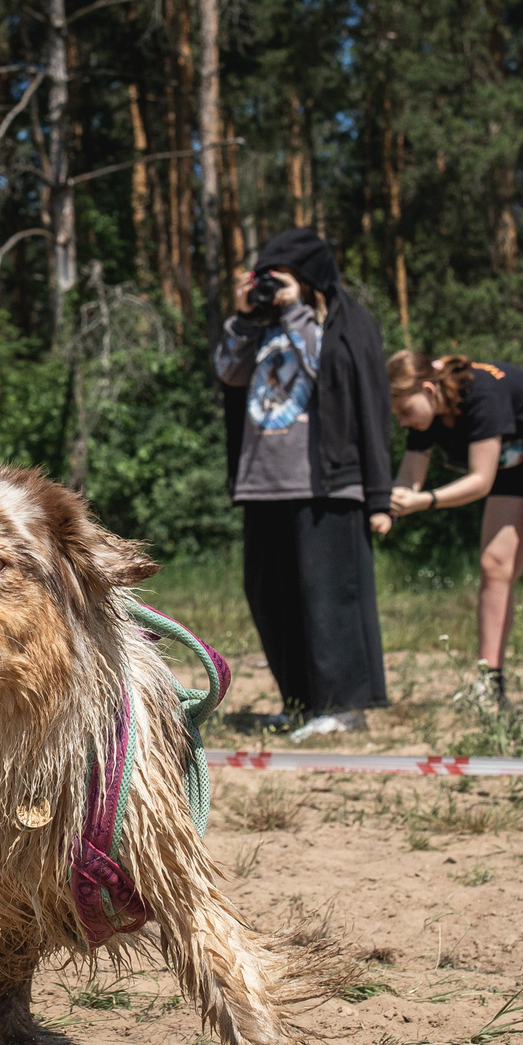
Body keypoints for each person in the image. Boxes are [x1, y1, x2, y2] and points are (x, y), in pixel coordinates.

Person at [214, 229, 396, 739]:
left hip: (324, 484)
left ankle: (341, 706)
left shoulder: (338, 325)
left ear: (310, 279)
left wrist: (296, 309)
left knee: (327, 597)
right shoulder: (260, 327)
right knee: (271, 596)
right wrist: (248, 315)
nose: (273, 289)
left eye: (283, 278)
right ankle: (299, 701)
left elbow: (329, 369)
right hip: (263, 484)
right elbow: (227, 371)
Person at [385, 351, 523, 716]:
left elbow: (480, 482)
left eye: (404, 411)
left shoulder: (482, 396)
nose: (402, 422)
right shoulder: (426, 417)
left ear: (429, 391)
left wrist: (425, 502)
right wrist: (387, 513)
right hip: (511, 459)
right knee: (494, 565)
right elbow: (409, 478)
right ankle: (490, 679)